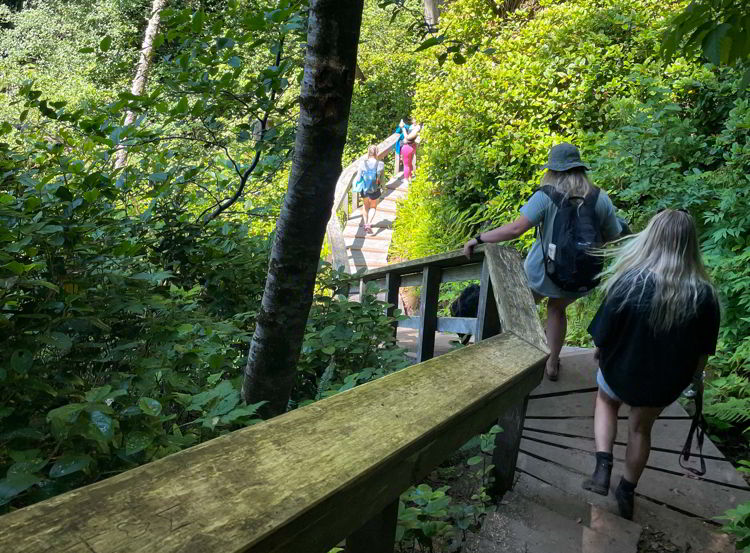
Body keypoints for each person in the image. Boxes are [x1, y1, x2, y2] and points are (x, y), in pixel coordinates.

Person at [582, 209, 720, 521]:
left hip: (620, 372)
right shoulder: (704, 295)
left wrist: (601, 354)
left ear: (651, 238)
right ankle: (627, 491)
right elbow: (702, 354)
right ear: (690, 245)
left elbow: (601, 336)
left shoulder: (629, 282)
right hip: (662, 383)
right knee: (641, 429)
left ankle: (603, 466)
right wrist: (692, 380)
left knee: (605, 401)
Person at [463, 143, 621, 380]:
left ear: (554, 170)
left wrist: (479, 238)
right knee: (557, 310)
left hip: (542, 272)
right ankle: (552, 364)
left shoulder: (547, 196)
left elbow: (516, 229)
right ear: (580, 169)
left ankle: (508, 360)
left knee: (520, 311)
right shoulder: (599, 198)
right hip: (581, 275)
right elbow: (613, 236)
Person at [354, 144, 385, 234]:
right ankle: (369, 224)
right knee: (373, 207)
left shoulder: (362, 163)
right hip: (375, 189)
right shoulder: (381, 164)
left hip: (364, 189)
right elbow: (382, 179)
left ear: (368, 152)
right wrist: (384, 188)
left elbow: (359, 178)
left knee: (365, 206)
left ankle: (365, 223)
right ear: (377, 152)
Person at [400, 118, 421, 185]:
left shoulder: (417, 128)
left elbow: (408, 137)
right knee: (409, 163)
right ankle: (410, 177)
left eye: (414, 119)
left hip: (407, 147)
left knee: (406, 165)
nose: (412, 121)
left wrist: (402, 128)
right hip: (412, 147)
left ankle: (406, 180)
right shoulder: (416, 127)